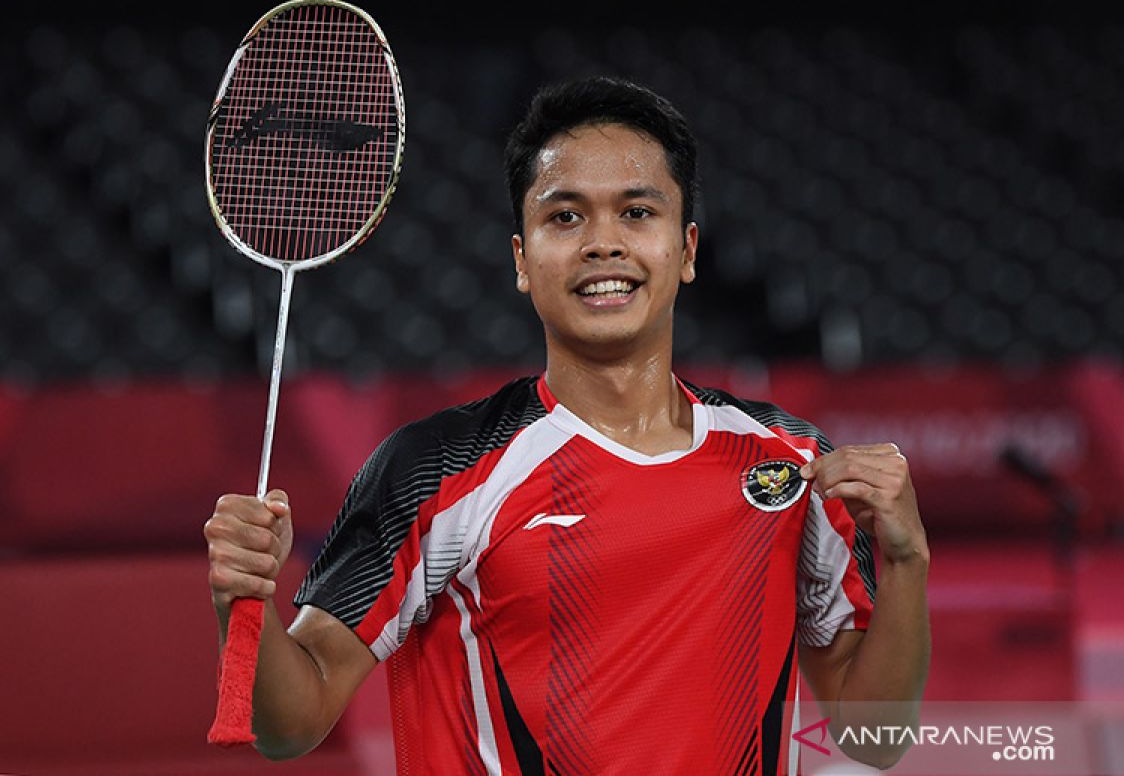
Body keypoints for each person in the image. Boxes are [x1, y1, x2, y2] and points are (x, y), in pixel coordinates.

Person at [204, 76, 930, 774]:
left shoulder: (793, 463)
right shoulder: (436, 470)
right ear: (522, 260)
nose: (602, 243)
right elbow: (291, 725)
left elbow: (875, 738)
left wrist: (906, 563)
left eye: (637, 213)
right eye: (564, 216)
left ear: (687, 251)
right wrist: (246, 599)